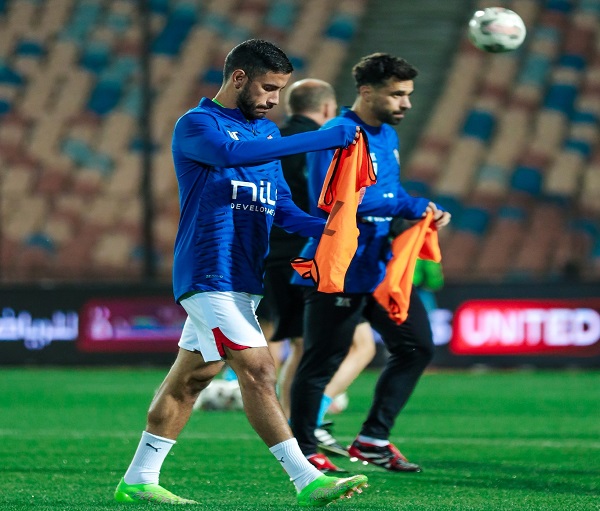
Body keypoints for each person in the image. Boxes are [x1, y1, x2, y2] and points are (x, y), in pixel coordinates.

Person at [113, 39, 368, 507]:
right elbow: (230, 155)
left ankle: (138, 479)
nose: (274, 99)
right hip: (208, 271)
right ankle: (306, 479)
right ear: (238, 78)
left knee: (191, 380)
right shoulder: (197, 124)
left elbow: (281, 207)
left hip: (244, 277)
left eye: (280, 90)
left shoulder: (267, 133)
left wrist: (334, 230)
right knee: (259, 370)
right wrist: (322, 138)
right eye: (268, 88)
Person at [289, 52, 451, 474]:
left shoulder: (386, 136)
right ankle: (303, 448)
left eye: (408, 94)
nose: (406, 103)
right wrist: (405, 205)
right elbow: (331, 200)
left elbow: (390, 193)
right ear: (366, 91)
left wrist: (420, 209)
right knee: (321, 361)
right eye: (397, 94)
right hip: (337, 267)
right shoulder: (336, 133)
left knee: (416, 346)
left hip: (378, 266)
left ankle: (373, 439)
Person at [263, 79, 375, 434]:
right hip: (313, 255)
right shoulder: (326, 142)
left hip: (271, 255)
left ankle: (291, 430)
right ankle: (310, 417)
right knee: (362, 344)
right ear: (327, 108)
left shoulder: (270, 141)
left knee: (298, 344)